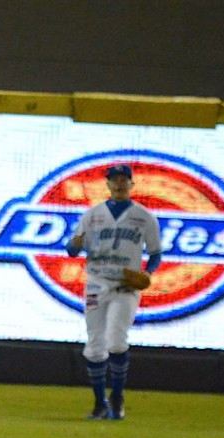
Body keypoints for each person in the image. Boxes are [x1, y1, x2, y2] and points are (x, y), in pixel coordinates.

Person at [65, 163, 162, 420]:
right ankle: (100, 403)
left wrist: (148, 273)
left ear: (131, 184)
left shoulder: (144, 217)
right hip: (97, 282)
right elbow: (72, 250)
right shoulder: (92, 215)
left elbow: (155, 254)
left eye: (123, 179)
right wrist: (74, 244)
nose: (119, 183)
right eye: (114, 179)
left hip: (125, 286)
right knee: (94, 346)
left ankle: (117, 397)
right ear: (107, 184)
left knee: (117, 342)